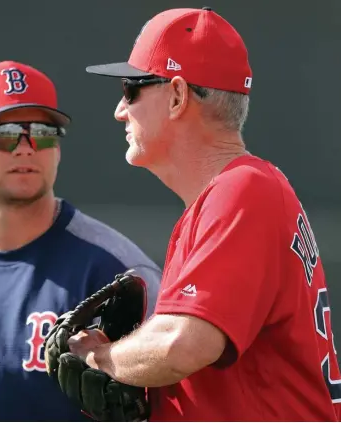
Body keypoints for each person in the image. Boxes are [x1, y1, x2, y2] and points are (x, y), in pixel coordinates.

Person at [64, 7, 341, 421]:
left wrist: (101, 357)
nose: (121, 111)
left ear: (177, 96)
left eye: (131, 89)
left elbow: (183, 345)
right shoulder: (236, 193)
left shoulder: (243, 190)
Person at [0, 60, 161, 422]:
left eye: (43, 133)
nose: (26, 148)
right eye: (4, 133)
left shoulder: (117, 271)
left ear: (57, 151)